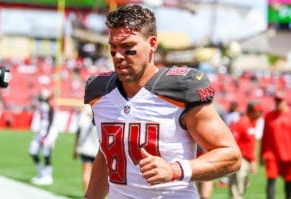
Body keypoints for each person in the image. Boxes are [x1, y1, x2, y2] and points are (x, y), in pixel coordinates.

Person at [84, 4, 241, 199]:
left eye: (128, 48)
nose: (118, 56)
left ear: (152, 44)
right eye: (113, 48)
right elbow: (107, 154)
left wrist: (175, 169)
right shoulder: (100, 91)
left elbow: (231, 156)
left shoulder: (180, 89)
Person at [228, 100, 263, 199]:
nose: (260, 113)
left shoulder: (252, 122)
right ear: (251, 111)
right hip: (240, 160)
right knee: (236, 191)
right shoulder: (241, 123)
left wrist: (253, 160)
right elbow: (232, 142)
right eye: (258, 111)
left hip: (247, 160)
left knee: (241, 189)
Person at [260, 91, 291, 199]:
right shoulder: (269, 116)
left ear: (285, 101)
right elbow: (264, 136)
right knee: (271, 180)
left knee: (289, 183)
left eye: (280, 100)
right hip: (272, 154)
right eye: (276, 100)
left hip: (288, 155)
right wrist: (262, 153)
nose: (278, 103)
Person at [28, 89, 58, 185]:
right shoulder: (42, 105)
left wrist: (46, 135)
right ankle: (41, 173)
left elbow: (51, 121)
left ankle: (48, 177)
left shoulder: (50, 106)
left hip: (49, 133)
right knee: (32, 151)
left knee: (46, 154)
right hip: (41, 132)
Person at [73, 104, 99, 193]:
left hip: (85, 148)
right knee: (96, 175)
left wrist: (75, 149)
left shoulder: (83, 118)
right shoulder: (100, 117)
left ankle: (87, 194)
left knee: (86, 172)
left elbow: (78, 133)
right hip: (97, 150)